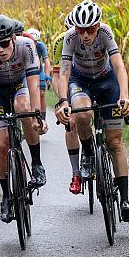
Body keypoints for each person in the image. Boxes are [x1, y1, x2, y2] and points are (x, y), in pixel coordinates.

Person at [54, 0, 129, 222]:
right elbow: (63, 72)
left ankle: (125, 200)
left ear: (98, 25)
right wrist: (62, 101)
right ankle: (89, 153)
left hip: (106, 81)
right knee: (81, 112)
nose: (86, 35)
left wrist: (124, 96)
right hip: (81, 80)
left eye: (90, 29)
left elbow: (119, 66)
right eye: (81, 30)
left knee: (114, 142)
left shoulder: (106, 33)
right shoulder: (70, 38)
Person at [0, 16, 48, 222]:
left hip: (19, 85)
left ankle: (36, 163)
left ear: (13, 38)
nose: (0, 50)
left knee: (23, 107)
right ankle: (6, 196)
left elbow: (33, 84)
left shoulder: (27, 45)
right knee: (1, 143)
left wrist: (36, 115)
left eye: (4, 44)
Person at [51, 12, 84, 194]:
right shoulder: (61, 42)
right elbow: (56, 76)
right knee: (71, 122)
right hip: (70, 84)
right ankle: (76, 174)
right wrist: (63, 100)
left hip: (93, 82)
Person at [26, 28, 52, 114]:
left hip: (39, 71)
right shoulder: (24, 45)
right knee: (28, 95)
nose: (34, 43)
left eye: (36, 41)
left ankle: (43, 117)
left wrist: (47, 76)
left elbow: (46, 61)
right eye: (32, 41)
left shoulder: (41, 46)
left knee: (41, 94)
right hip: (27, 72)